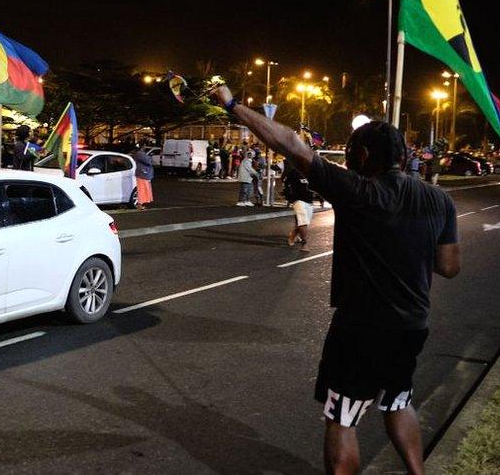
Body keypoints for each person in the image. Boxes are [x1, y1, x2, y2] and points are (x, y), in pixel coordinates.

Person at [212, 86, 460, 475]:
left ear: (361, 155)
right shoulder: (439, 200)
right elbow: (448, 266)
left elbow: (291, 144)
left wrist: (232, 105)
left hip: (361, 326)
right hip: (413, 324)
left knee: (342, 416)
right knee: (398, 401)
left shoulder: (356, 190)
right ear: (404, 155)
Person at [282, 161, 314, 252]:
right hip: (298, 200)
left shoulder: (312, 174)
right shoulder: (294, 172)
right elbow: (286, 184)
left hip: (309, 201)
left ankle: (292, 236)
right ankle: (305, 244)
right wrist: (289, 197)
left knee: (303, 223)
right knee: (303, 221)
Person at [132, 144, 155, 210]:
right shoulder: (140, 154)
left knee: (143, 189)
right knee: (142, 189)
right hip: (143, 174)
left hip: (143, 174)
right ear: (142, 147)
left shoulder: (139, 153)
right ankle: (140, 204)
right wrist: (150, 158)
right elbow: (148, 161)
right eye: (144, 146)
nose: (145, 147)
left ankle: (141, 204)